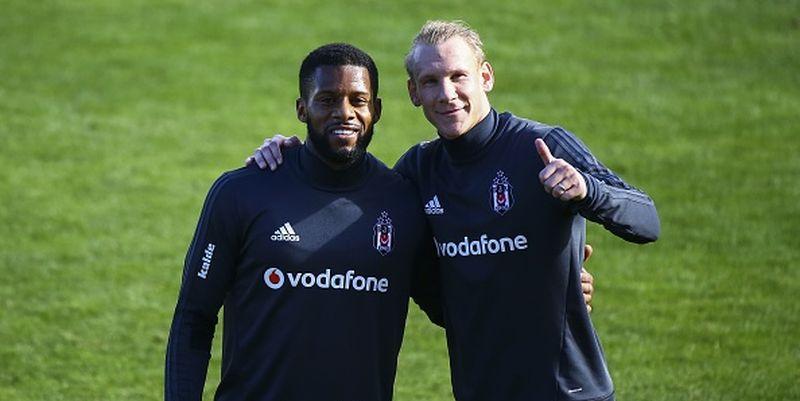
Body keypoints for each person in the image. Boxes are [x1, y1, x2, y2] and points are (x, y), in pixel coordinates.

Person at [248, 20, 659, 401]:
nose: (446, 94)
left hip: (568, 391)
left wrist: (587, 191)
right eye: (430, 81)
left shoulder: (543, 148)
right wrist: (293, 158)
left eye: (458, 76)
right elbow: (364, 219)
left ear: (486, 77)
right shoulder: (418, 171)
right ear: (414, 93)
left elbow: (647, 222)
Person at [165, 44, 445, 401]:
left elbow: (453, 310)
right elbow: (194, 317)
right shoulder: (243, 192)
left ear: (376, 110)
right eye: (327, 100)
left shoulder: (403, 202)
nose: (344, 113)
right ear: (302, 109)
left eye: (358, 101)